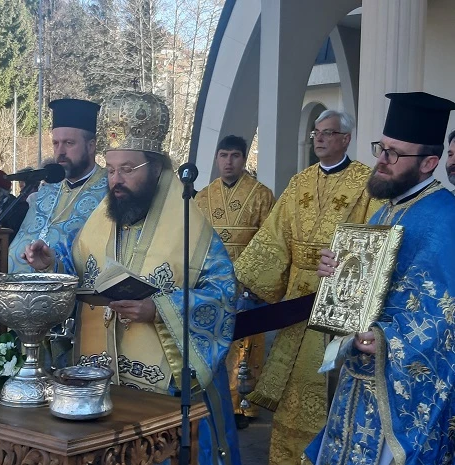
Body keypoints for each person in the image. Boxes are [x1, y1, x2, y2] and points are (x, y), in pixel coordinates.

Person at [21, 91, 241, 465]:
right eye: (110, 169)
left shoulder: (190, 224)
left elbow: (224, 293)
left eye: (127, 169)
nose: (116, 180)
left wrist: (159, 308)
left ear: (155, 168)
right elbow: (79, 281)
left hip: (166, 384)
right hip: (99, 372)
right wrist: (50, 266)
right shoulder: (99, 221)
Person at [306, 91, 455, 465]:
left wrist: (390, 338)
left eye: (394, 153)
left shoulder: (447, 217)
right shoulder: (383, 213)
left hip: (406, 387)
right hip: (361, 373)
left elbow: (446, 311)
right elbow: (364, 289)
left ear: (429, 163)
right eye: (381, 148)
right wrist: (336, 276)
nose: (381, 160)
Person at [233, 110, 381, 465]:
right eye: (316, 132)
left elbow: (374, 237)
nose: (319, 139)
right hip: (297, 295)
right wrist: (251, 280)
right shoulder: (299, 181)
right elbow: (276, 234)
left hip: (337, 298)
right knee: (293, 388)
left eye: (328, 133)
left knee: (325, 382)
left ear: (345, 139)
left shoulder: (366, 182)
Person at [195, 134, 274, 428]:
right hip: (212, 282)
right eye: (224, 155)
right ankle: (213, 399)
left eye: (235, 156)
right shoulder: (202, 197)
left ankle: (244, 405)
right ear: (217, 158)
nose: (229, 162)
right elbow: (195, 243)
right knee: (214, 341)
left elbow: (270, 242)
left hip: (247, 282)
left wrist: (257, 281)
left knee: (247, 344)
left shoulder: (262, 195)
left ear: (244, 159)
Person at [8, 98, 108, 273]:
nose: (60, 152)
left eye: (69, 143)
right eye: (56, 143)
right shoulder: (47, 189)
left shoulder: (109, 190)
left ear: (91, 146)